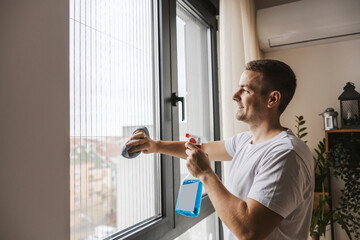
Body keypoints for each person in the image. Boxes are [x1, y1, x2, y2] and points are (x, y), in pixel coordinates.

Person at [126, 59, 314, 240]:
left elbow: (249, 231)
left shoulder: (286, 154)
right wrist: (154, 145)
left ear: (272, 99)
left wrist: (206, 174)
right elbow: (202, 150)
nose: (235, 95)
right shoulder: (246, 140)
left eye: (246, 90)